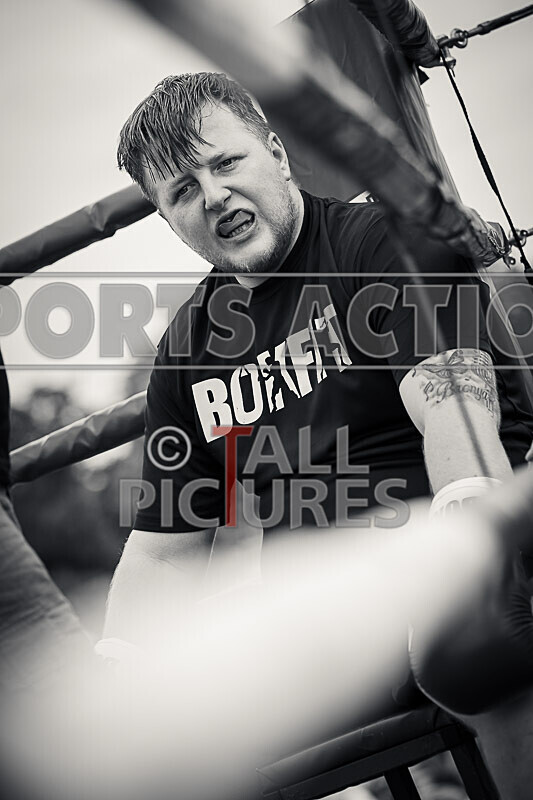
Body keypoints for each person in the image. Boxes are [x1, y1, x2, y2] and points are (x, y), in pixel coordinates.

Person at [103, 72, 533, 797]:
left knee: (478, 644)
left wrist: (463, 532)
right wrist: (116, 666)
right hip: (328, 613)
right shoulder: (189, 350)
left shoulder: (377, 241)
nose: (211, 197)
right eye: (181, 190)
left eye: (225, 162)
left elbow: (451, 398)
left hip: (453, 543)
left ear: (276, 150)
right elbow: (162, 556)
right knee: (160, 749)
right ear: (167, 218)